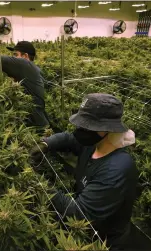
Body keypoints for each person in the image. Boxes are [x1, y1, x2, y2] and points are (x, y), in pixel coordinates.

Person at [31, 93, 138, 250]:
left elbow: (80, 213)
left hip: (102, 242)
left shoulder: (116, 169)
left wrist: (37, 184)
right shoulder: (95, 144)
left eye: (87, 126)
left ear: (107, 129)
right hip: (84, 232)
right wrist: (46, 144)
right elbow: (69, 139)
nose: (80, 129)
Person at [0, 41, 49, 130]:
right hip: (37, 122)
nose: (13, 58)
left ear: (25, 56)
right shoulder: (35, 69)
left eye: (15, 55)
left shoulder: (24, 64)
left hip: (35, 127)